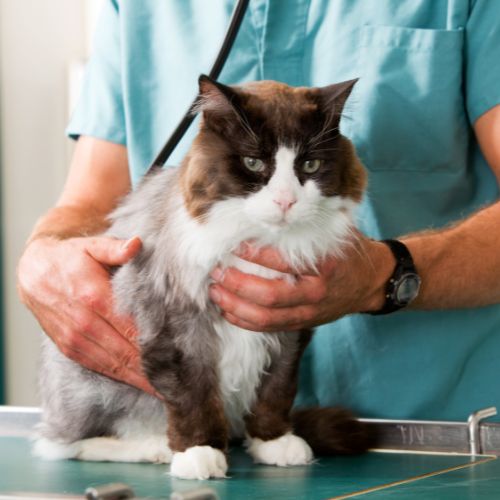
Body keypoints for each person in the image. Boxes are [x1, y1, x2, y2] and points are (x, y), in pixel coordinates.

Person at [17, 0, 500, 421]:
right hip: (194, 432)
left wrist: (383, 276)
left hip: (429, 434)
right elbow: (88, 203)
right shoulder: (135, 5)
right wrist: (44, 257)